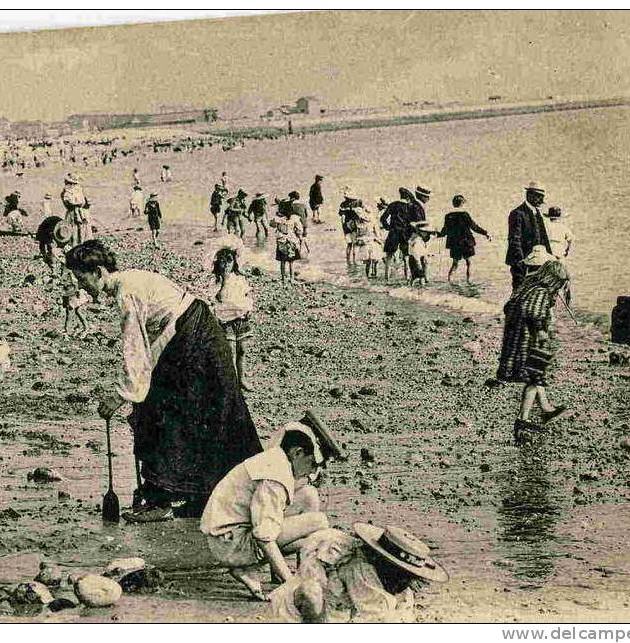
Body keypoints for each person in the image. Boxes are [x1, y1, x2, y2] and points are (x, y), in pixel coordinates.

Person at [66, 240, 262, 522]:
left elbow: (136, 351)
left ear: (98, 271)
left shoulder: (126, 293)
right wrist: (135, 395)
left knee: (167, 412)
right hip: (194, 333)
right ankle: (194, 493)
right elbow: (151, 347)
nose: (81, 286)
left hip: (194, 337)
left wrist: (121, 397)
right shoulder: (130, 281)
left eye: (82, 278)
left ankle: (164, 499)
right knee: (192, 411)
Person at [200, 415, 343, 600]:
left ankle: (297, 574)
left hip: (231, 534)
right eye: (312, 464)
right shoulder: (275, 476)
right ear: (297, 453)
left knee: (309, 495)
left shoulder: (277, 457)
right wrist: (290, 584)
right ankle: (289, 579)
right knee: (319, 521)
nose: (313, 471)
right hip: (231, 544)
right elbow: (263, 534)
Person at [270, 522, 448, 623]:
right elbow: (370, 618)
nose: (404, 581)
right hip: (306, 611)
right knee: (311, 595)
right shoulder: (360, 569)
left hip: (339, 609)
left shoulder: (400, 588)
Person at [495, 246, 570, 444]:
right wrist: (543, 331)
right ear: (553, 280)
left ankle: (545, 409)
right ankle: (523, 419)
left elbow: (510, 307)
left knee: (537, 376)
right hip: (529, 341)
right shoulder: (541, 292)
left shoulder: (527, 285)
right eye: (559, 285)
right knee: (534, 377)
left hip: (516, 338)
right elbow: (534, 313)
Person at [207, 237, 255, 391]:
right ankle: (232, 381)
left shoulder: (240, 279)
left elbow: (247, 295)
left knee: (243, 350)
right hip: (226, 320)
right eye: (223, 262)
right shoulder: (217, 281)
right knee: (230, 351)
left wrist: (249, 309)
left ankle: (242, 379)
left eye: (229, 261)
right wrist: (224, 280)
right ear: (217, 263)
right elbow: (218, 298)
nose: (226, 265)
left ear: (234, 262)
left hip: (241, 318)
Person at [506, 184, 552, 289]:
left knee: (536, 290)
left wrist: (550, 258)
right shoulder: (517, 213)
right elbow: (514, 239)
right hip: (521, 261)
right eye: (539, 197)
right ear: (529, 195)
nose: (541, 200)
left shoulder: (537, 212)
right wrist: (521, 261)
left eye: (542, 197)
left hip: (538, 260)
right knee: (519, 289)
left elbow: (543, 238)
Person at [438, 195, 491, 284]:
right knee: (469, 263)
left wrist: (438, 235)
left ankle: (449, 280)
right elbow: (474, 227)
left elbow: (445, 230)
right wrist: (485, 233)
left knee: (455, 264)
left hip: (455, 244)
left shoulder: (448, 216)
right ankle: (468, 281)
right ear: (462, 203)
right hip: (466, 242)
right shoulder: (465, 215)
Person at [380, 188, 416, 281]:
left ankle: (386, 278)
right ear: (408, 197)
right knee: (406, 257)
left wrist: (388, 227)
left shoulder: (393, 205)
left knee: (389, 256)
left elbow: (383, 218)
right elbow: (412, 222)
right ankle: (407, 278)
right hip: (405, 233)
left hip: (394, 232)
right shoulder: (410, 207)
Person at [271, 203, 304, 286]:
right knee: (291, 262)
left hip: (281, 241)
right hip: (291, 242)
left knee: (282, 262)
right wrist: (299, 237)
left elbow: (271, 224)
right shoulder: (294, 219)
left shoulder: (278, 219)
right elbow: (299, 230)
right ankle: (291, 278)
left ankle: (283, 279)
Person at [61, 173, 91, 246]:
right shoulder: (67, 192)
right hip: (73, 214)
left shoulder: (79, 190)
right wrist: (79, 203)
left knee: (83, 229)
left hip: (82, 213)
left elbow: (83, 201)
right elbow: (69, 202)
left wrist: (86, 203)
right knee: (74, 230)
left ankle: (84, 245)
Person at [338, 191, 365, 266]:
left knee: (349, 244)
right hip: (354, 225)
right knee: (355, 244)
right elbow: (362, 213)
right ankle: (354, 261)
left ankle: (348, 261)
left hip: (346, 226)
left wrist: (344, 225)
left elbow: (342, 217)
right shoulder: (357, 203)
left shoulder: (343, 204)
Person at [354, 210, 384, 279]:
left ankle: (372, 274)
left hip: (372, 242)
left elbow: (377, 234)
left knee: (373, 260)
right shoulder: (359, 224)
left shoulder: (372, 223)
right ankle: (369, 275)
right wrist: (360, 240)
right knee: (369, 260)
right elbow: (357, 236)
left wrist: (378, 240)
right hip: (367, 243)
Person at [406, 222, 437, 287]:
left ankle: (412, 287)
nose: (428, 234)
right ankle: (420, 288)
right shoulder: (416, 240)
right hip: (415, 260)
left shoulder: (418, 238)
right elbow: (415, 254)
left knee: (416, 277)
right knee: (420, 277)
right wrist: (419, 264)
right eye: (427, 232)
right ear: (420, 232)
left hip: (418, 258)